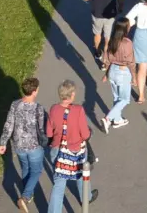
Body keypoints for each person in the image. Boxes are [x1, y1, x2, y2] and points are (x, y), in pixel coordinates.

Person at [0, 77, 47, 213]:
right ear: (35, 91)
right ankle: (25, 197)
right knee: (36, 170)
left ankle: (28, 194)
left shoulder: (15, 105)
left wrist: (3, 142)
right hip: (34, 146)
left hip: (19, 145)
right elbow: (41, 129)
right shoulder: (38, 108)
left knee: (25, 168)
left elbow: (9, 124)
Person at [45, 81, 91, 213]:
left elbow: (49, 133)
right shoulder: (78, 110)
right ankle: (86, 197)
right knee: (82, 174)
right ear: (72, 94)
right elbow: (85, 134)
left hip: (58, 149)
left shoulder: (54, 109)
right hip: (76, 150)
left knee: (59, 184)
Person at [99, 18, 135, 131]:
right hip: (123, 72)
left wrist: (106, 74)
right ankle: (108, 118)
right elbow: (131, 62)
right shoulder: (127, 43)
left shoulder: (112, 41)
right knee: (124, 99)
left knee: (116, 97)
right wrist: (134, 77)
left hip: (113, 71)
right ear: (125, 28)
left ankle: (118, 119)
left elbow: (108, 60)